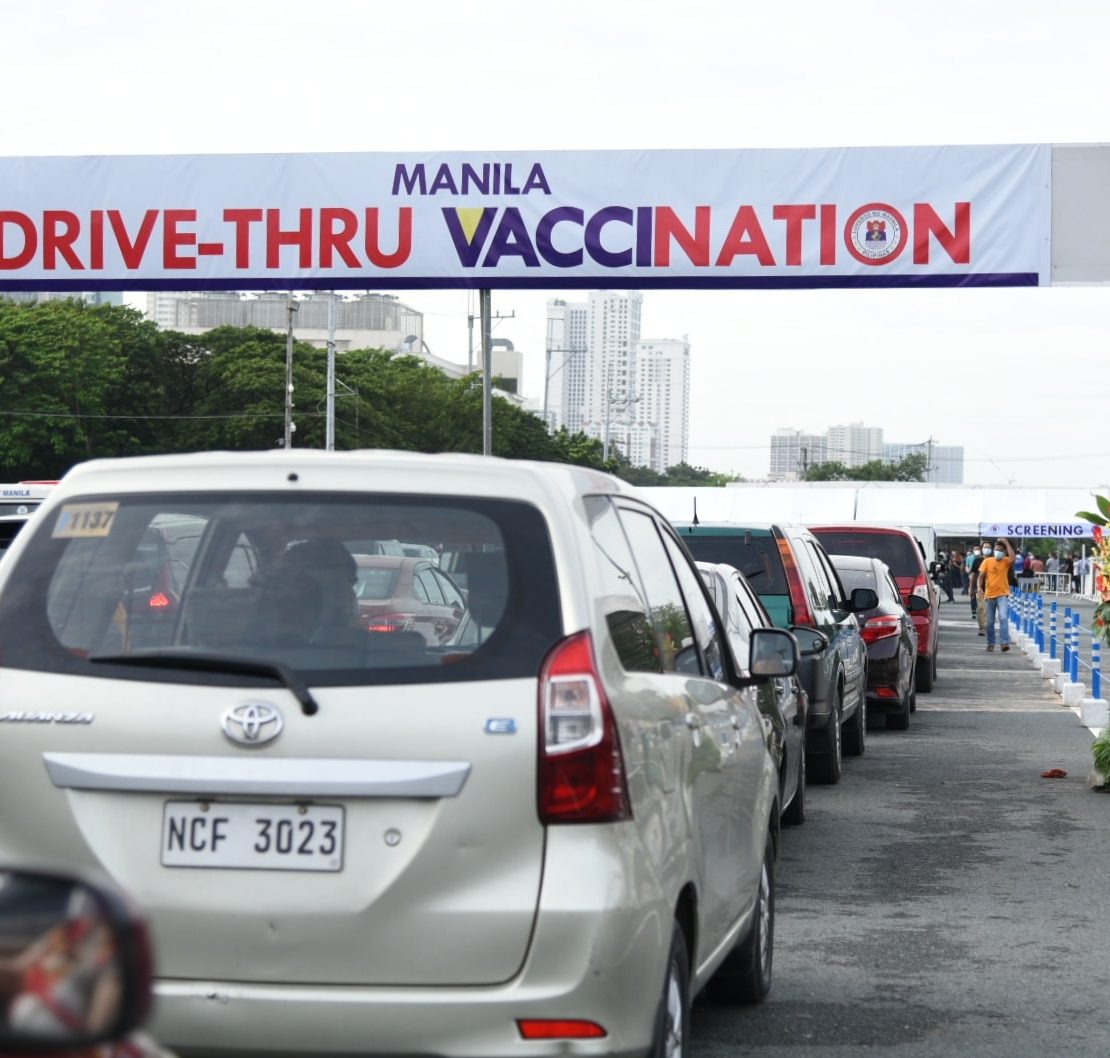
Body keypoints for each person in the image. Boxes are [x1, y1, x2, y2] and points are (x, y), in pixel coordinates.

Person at [977, 538, 1016, 652]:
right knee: (989, 622)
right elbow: (981, 576)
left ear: (1004, 552)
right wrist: (979, 587)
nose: (997, 552)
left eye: (1000, 550)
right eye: (996, 549)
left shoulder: (1005, 561)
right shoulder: (987, 561)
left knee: (1003, 618)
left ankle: (1004, 643)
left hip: (1003, 594)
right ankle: (991, 643)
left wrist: (1006, 542)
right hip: (989, 595)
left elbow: (1013, 558)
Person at [967, 542, 989, 635]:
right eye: (985, 547)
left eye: (989, 547)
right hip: (980, 588)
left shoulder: (995, 560)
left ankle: (988, 625)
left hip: (993, 589)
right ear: (982, 548)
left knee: (988, 610)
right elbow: (974, 576)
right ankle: (982, 628)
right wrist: (972, 588)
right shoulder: (977, 561)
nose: (987, 549)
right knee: (981, 608)